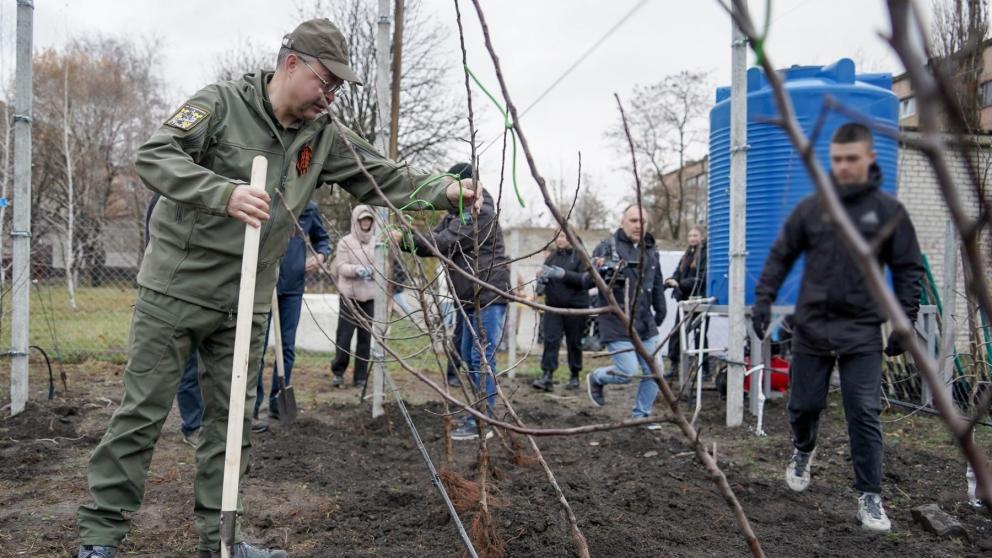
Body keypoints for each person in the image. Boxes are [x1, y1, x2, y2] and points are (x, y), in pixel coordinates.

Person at [76, 18, 482, 558]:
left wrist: (446, 191)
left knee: (234, 424)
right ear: (290, 63)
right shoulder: (221, 104)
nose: (331, 95)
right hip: (176, 289)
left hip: (245, 301)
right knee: (142, 413)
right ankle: (101, 538)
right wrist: (223, 193)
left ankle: (219, 539)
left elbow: (382, 175)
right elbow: (155, 155)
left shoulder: (324, 134)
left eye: (339, 87)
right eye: (325, 81)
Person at [752, 123, 923, 533]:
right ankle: (802, 449)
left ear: (869, 158)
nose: (843, 167)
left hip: (862, 330)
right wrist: (763, 298)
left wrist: (906, 320)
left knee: (863, 411)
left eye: (851, 159)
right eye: (837, 160)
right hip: (811, 327)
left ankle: (870, 495)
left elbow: (907, 269)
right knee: (804, 405)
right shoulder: (813, 208)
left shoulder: (888, 213)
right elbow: (780, 255)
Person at [396, 163, 510, 441]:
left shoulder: (478, 212)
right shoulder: (455, 214)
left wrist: (406, 239)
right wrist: (407, 238)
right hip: (469, 297)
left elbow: (444, 242)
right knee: (467, 353)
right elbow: (436, 238)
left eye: (453, 184)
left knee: (480, 358)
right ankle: (478, 413)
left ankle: (485, 421)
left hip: (487, 295)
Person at [252, 200, 330, 432]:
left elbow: (323, 239)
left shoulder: (308, 208)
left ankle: (278, 401)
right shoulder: (265, 202)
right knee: (257, 346)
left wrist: (321, 255)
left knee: (286, 347)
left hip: (293, 288)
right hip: (262, 287)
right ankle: (252, 406)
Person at [585, 205, 667, 424]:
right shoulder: (606, 247)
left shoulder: (650, 248)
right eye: (633, 221)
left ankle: (640, 416)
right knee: (627, 371)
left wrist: (661, 311)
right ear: (622, 221)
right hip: (616, 322)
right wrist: (596, 269)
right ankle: (597, 377)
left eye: (643, 222)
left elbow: (656, 283)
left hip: (644, 322)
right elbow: (586, 281)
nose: (638, 226)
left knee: (655, 371)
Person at [147, 193, 204, 448]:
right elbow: (156, 243)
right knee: (185, 366)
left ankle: (214, 427)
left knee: (214, 368)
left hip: (215, 291)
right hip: (176, 292)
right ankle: (193, 425)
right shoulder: (163, 198)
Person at [532, 231, 590, 391]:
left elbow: (584, 281)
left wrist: (564, 275)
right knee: (551, 340)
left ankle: (574, 375)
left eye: (563, 236)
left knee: (574, 343)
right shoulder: (551, 257)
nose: (559, 239)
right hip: (553, 307)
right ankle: (547, 375)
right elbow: (544, 280)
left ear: (573, 238)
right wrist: (541, 280)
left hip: (575, 308)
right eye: (557, 236)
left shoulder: (581, 257)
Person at [329, 205, 376, 389]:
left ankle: (360, 376)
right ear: (356, 221)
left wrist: (374, 271)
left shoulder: (377, 242)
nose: (365, 223)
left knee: (365, 338)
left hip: (369, 297)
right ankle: (338, 372)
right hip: (349, 296)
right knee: (344, 336)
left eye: (368, 220)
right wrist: (357, 270)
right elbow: (340, 267)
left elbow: (383, 265)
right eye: (362, 219)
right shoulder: (345, 242)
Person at [665, 224, 709, 379]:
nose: (692, 238)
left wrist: (680, 284)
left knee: (700, 333)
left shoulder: (705, 254)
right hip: (685, 301)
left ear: (702, 237)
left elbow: (701, 278)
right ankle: (674, 365)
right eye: (690, 236)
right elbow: (679, 272)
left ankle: (703, 368)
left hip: (700, 300)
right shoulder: (687, 255)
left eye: (695, 235)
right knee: (677, 332)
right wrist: (671, 280)